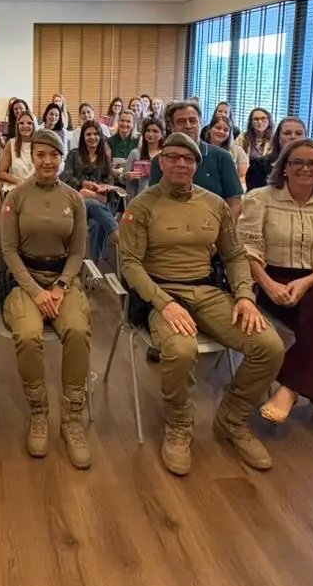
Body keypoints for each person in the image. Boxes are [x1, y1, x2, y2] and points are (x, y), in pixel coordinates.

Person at [119, 133, 284, 476]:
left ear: (197, 164)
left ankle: (233, 418)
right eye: (173, 157)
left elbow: (234, 254)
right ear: (161, 161)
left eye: (188, 159)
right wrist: (164, 303)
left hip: (208, 292)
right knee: (180, 350)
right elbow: (130, 264)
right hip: (162, 294)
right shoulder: (143, 206)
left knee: (269, 346)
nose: (181, 163)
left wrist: (244, 295)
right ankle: (179, 424)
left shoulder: (215, 204)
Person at [239, 139, 313, 426]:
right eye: (298, 162)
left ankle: (290, 389)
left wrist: (306, 282)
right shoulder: (260, 199)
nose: (306, 168)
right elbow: (245, 250)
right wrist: (268, 285)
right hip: (271, 279)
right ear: (284, 167)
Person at [0, 129, 91, 467]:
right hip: (26, 282)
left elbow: (78, 252)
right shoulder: (16, 198)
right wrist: (36, 291)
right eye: (41, 154)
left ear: (62, 158)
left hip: (62, 283)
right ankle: (39, 411)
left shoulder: (74, 199)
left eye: (54, 155)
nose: (47, 161)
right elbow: (9, 251)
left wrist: (61, 286)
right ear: (32, 157)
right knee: (27, 335)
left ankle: (71, 417)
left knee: (78, 331)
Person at [147, 102, 243, 216]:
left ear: (201, 123)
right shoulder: (160, 160)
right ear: (171, 127)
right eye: (181, 122)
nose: (188, 126)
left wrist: (226, 227)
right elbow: (154, 201)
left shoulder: (222, 157)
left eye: (193, 121)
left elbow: (235, 203)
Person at [61, 121, 119, 262]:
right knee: (88, 200)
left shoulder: (104, 157)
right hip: (77, 202)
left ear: (100, 136)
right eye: (88, 134)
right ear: (83, 136)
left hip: (99, 199)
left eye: (96, 134)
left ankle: (93, 263)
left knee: (96, 224)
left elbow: (109, 181)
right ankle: (117, 235)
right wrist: (83, 184)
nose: (92, 137)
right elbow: (66, 178)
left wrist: (101, 188)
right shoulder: (74, 154)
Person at [246, 117, 306, 192]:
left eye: (299, 133)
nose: (293, 137)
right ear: (278, 137)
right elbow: (254, 196)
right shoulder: (258, 166)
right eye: (287, 133)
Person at [121, 116, 164, 200]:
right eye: (148, 130)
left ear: (162, 134)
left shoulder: (166, 154)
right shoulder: (135, 153)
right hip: (139, 199)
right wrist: (126, 176)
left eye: (155, 131)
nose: (151, 134)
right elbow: (122, 178)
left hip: (161, 199)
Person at [0, 111, 36, 192]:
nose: (25, 126)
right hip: (15, 188)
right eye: (21, 123)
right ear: (17, 126)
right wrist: (18, 181)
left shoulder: (40, 144)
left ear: (34, 125)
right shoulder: (11, 144)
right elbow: (1, 173)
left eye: (29, 123)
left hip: (35, 188)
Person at [204, 114, 248, 186]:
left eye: (226, 130)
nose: (221, 131)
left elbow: (243, 177)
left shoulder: (238, 151)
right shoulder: (201, 149)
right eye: (218, 128)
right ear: (209, 130)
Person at [237, 108, 274, 184]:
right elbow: (235, 157)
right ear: (251, 122)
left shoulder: (274, 140)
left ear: (269, 121)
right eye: (256, 119)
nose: (260, 122)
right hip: (244, 177)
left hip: (267, 178)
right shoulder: (242, 138)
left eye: (263, 118)